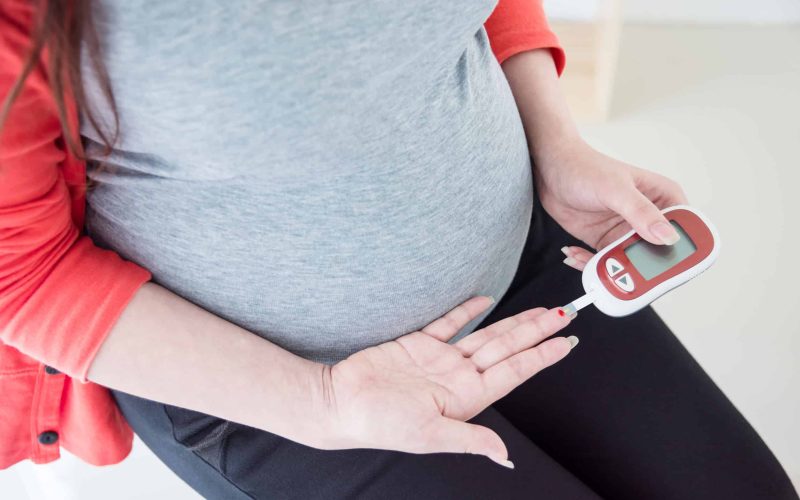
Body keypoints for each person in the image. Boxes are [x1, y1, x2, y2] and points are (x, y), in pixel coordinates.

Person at [0, 1, 796, 498]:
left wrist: (555, 144)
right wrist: (320, 401)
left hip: (528, 269)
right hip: (283, 395)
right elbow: (21, 271)